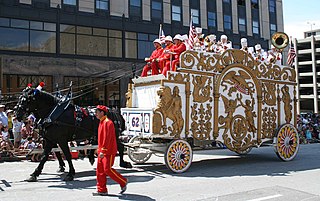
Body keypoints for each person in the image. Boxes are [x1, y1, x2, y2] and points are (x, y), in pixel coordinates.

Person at [93, 105, 128, 196]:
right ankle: (102, 189)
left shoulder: (108, 123)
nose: (96, 114)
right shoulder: (101, 122)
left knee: (107, 169)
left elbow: (107, 139)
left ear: (102, 112)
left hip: (109, 151)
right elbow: (101, 139)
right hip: (102, 150)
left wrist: (103, 151)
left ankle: (123, 181)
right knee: (99, 171)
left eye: (97, 112)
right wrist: (99, 149)